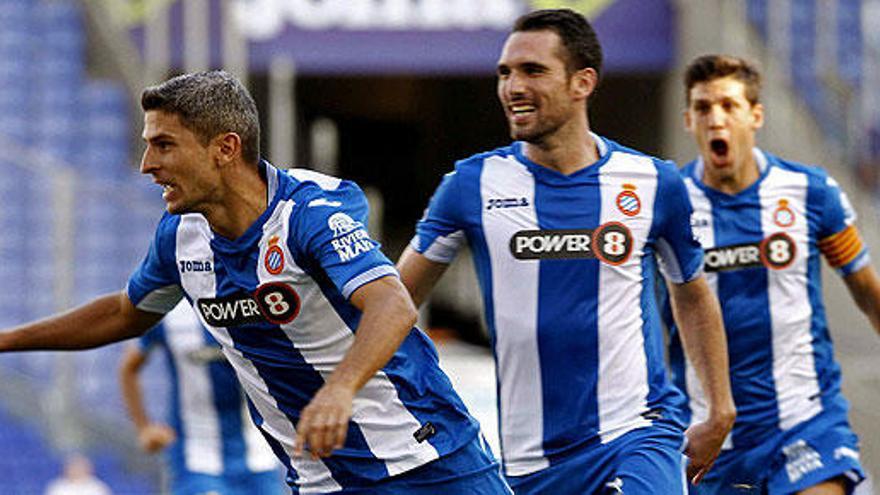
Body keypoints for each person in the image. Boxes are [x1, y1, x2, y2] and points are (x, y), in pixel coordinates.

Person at [0, 70, 511, 494]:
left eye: (163, 146)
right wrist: (7, 339)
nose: (146, 165)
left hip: (427, 458)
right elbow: (124, 313)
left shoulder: (310, 212)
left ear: (224, 148)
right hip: (322, 478)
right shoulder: (180, 239)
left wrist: (338, 391)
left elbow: (393, 306)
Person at [396, 8, 736, 495]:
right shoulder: (471, 185)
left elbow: (692, 293)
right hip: (530, 460)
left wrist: (718, 405)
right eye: (505, 73)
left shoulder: (654, 182)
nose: (513, 87)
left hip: (637, 432)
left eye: (533, 71)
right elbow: (392, 300)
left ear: (583, 82)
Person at [666, 54, 875, 494]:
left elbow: (866, 290)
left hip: (804, 422)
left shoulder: (810, 193)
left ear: (755, 115)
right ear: (687, 119)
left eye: (728, 105)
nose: (715, 119)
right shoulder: (668, 206)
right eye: (703, 108)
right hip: (709, 436)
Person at [119, 301, 285, 495]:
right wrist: (144, 428)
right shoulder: (168, 311)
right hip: (195, 457)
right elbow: (129, 367)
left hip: (258, 454)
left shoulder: (248, 300)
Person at [44, 454, 112, 495]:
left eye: (80, 467)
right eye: (74, 467)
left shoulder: (97, 487)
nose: (76, 470)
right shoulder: (57, 487)